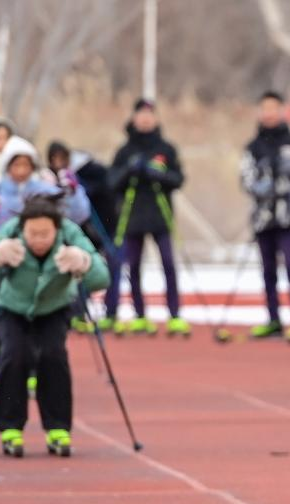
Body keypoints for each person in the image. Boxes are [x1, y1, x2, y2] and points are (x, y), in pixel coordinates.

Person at [0, 196, 109, 457]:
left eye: (45, 233)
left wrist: (84, 262)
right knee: (13, 355)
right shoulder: (10, 232)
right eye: (32, 233)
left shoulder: (70, 234)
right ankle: (10, 426)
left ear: (56, 229)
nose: (39, 240)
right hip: (12, 307)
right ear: (23, 228)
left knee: (53, 356)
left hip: (53, 308)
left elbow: (102, 279)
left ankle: (57, 427)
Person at [0, 136, 90, 382]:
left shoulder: (43, 192)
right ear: (7, 166)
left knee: (32, 329)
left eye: (26, 165)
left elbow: (77, 214)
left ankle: (31, 370)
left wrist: (73, 192)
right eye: (15, 165)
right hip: (2, 268)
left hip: (39, 270)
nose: (21, 171)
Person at [239, 90, 290, 343]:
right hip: (262, 218)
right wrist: (259, 187)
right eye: (265, 108)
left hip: (287, 217)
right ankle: (273, 319)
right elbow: (245, 177)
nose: (269, 113)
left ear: (282, 110)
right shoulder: (253, 146)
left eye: (274, 108)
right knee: (268, 270)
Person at [108, 98, 187, 337]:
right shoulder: (125, 151)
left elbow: (178, 179)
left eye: (149, 115)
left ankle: (174, 314)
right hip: (132, 217)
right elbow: (112, 182)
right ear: (133, 118)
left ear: (155, 118)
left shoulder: (166, 149)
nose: (145, 119)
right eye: (140, 115)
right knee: (133, 266)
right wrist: (129, 170)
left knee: (168, 264)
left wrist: (157, 174)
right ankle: (140, 314)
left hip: (160, 215)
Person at [47, 140, 121, 331]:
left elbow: (84, 208)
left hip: (90, 230)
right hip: (62, 233)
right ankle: (70, 311)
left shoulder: (87, 174)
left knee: (93, 268)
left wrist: (75, 189)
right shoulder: (46, 178)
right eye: (54, 158)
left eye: (62, 158)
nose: (58, 162)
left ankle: (94, 311)